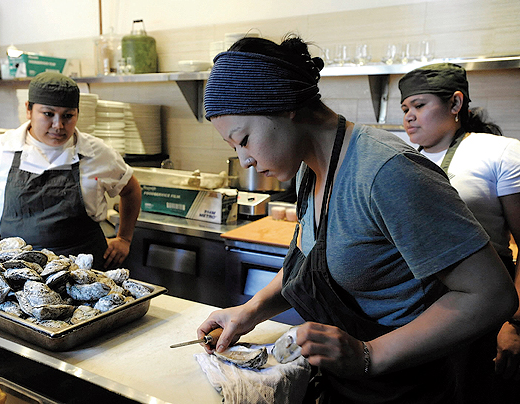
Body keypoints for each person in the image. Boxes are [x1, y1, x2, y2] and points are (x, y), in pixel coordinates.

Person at [197, 36, 518, 403]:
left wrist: (371, 356)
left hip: (417, 384)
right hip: (355, 385)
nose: (245, 160)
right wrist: (250, 311)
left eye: (244, 139)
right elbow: (310, 259)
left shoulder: (386, 172)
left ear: (284, 104)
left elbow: (491, 295)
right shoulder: (308, 171)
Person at [399, 63, 520, 402]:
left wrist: (515, 324)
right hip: (416, 313)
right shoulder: (401, 159)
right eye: (405, 109)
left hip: (486, 310)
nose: (409, 116)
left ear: (455, 103)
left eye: (419, 105)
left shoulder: (499, 152)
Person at [0, 72, 141, 270]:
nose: (58, 125)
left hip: (84, 274)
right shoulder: (1, 150)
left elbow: (131, 190)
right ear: (29, 109)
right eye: (48, 114)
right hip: (16, 273)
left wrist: (124, 239)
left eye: (68, 116)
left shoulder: (97, 153)